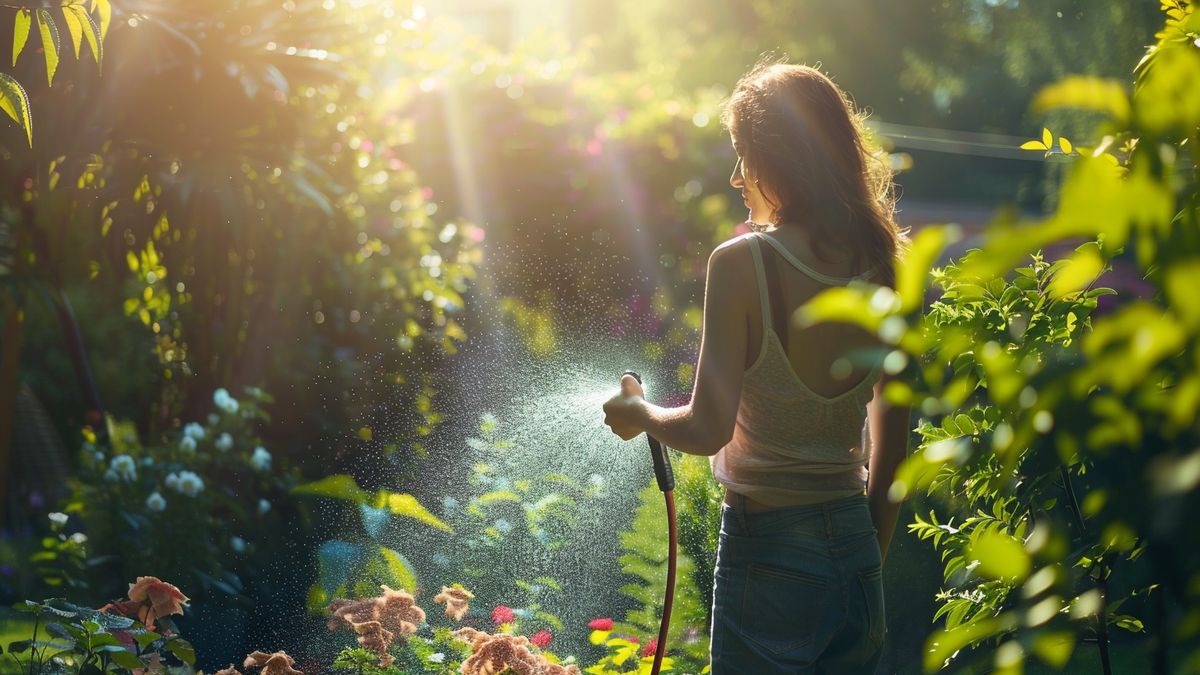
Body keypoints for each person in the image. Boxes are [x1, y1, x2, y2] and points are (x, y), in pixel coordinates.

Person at [601, 59, 911, 674]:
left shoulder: (744, 264)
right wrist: (861, 558)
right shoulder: (884, 265)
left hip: (766, 547)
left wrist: (641, 413)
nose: (737, 177)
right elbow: (894, 451)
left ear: (779, 159)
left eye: (745, 155)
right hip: (856, 545)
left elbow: (707, 429)